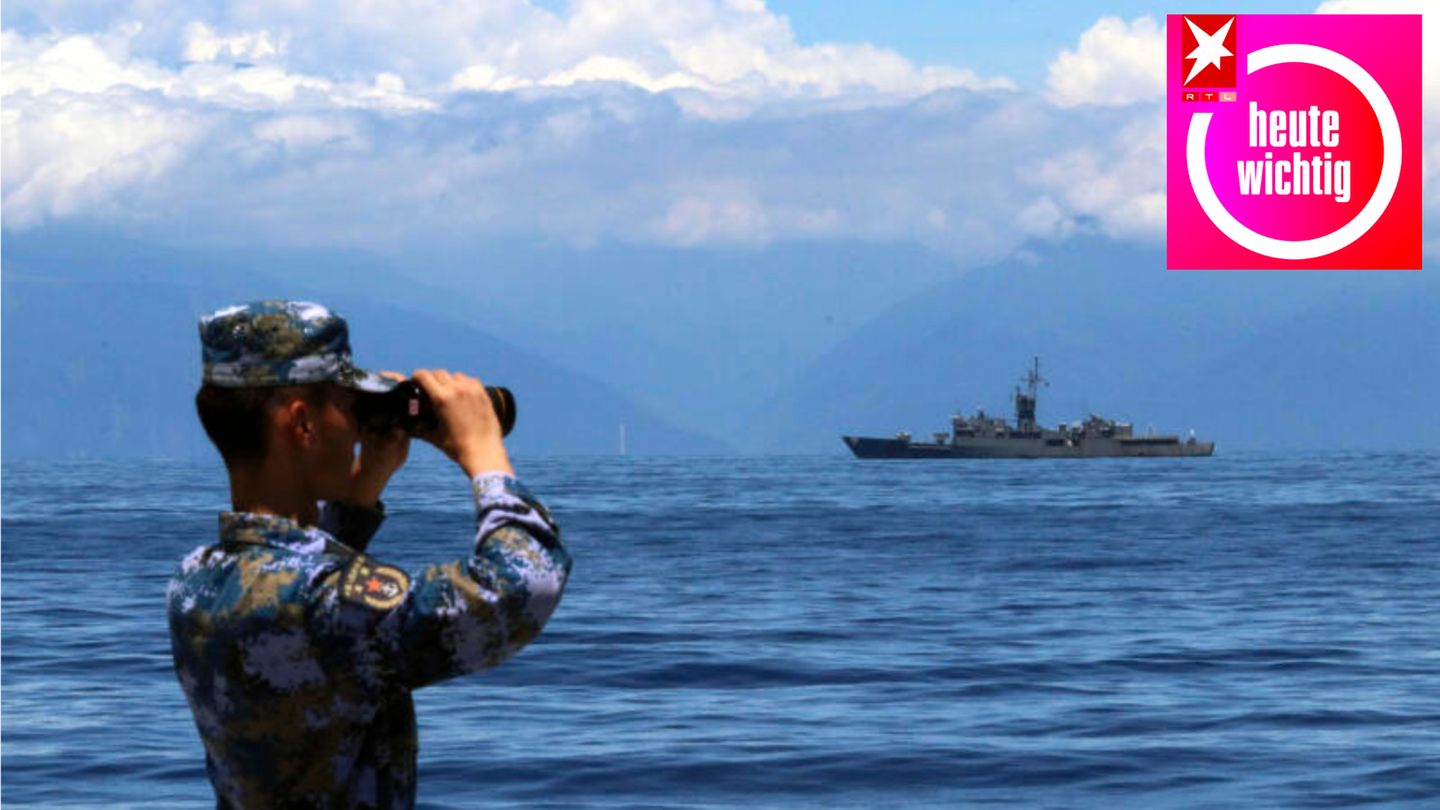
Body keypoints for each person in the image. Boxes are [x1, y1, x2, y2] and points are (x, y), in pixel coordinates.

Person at [168, 300, 572, 809]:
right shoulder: (325, 606)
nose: (361, 428)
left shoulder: (195, 580)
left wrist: (363, 488)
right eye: (350, 407)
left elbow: (292, 579)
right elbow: (518, 590)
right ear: (304, 424)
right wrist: (484, 454)